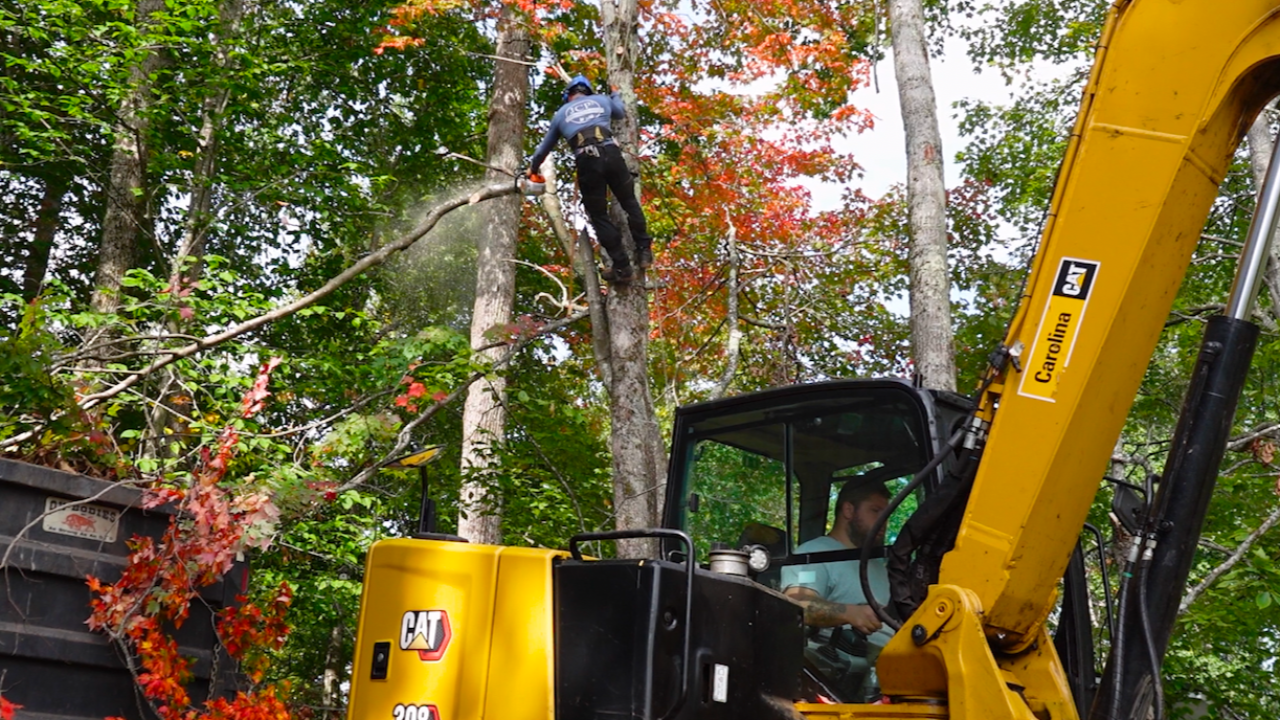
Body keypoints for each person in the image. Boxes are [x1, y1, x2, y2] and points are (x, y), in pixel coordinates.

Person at [528, 75, 653, 284]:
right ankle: (644, 251)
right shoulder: (603, 100)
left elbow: (543, 150)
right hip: (611, 154)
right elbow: (620, 113)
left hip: (587, 160)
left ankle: (622, 267)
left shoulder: (560, 114)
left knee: (598, 215)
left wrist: (532, 168)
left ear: (568, 95)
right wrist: (616, 94)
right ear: (588, 91)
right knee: (629, 202)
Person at [780, 478, 895, 702]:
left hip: (893, 669)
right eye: (875, 510)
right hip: (849, 679)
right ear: (849, 510)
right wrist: (850, 613)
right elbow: (798, 605)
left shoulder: (879, 566)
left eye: (887, 513)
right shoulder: (814, 554)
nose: (884, 520)